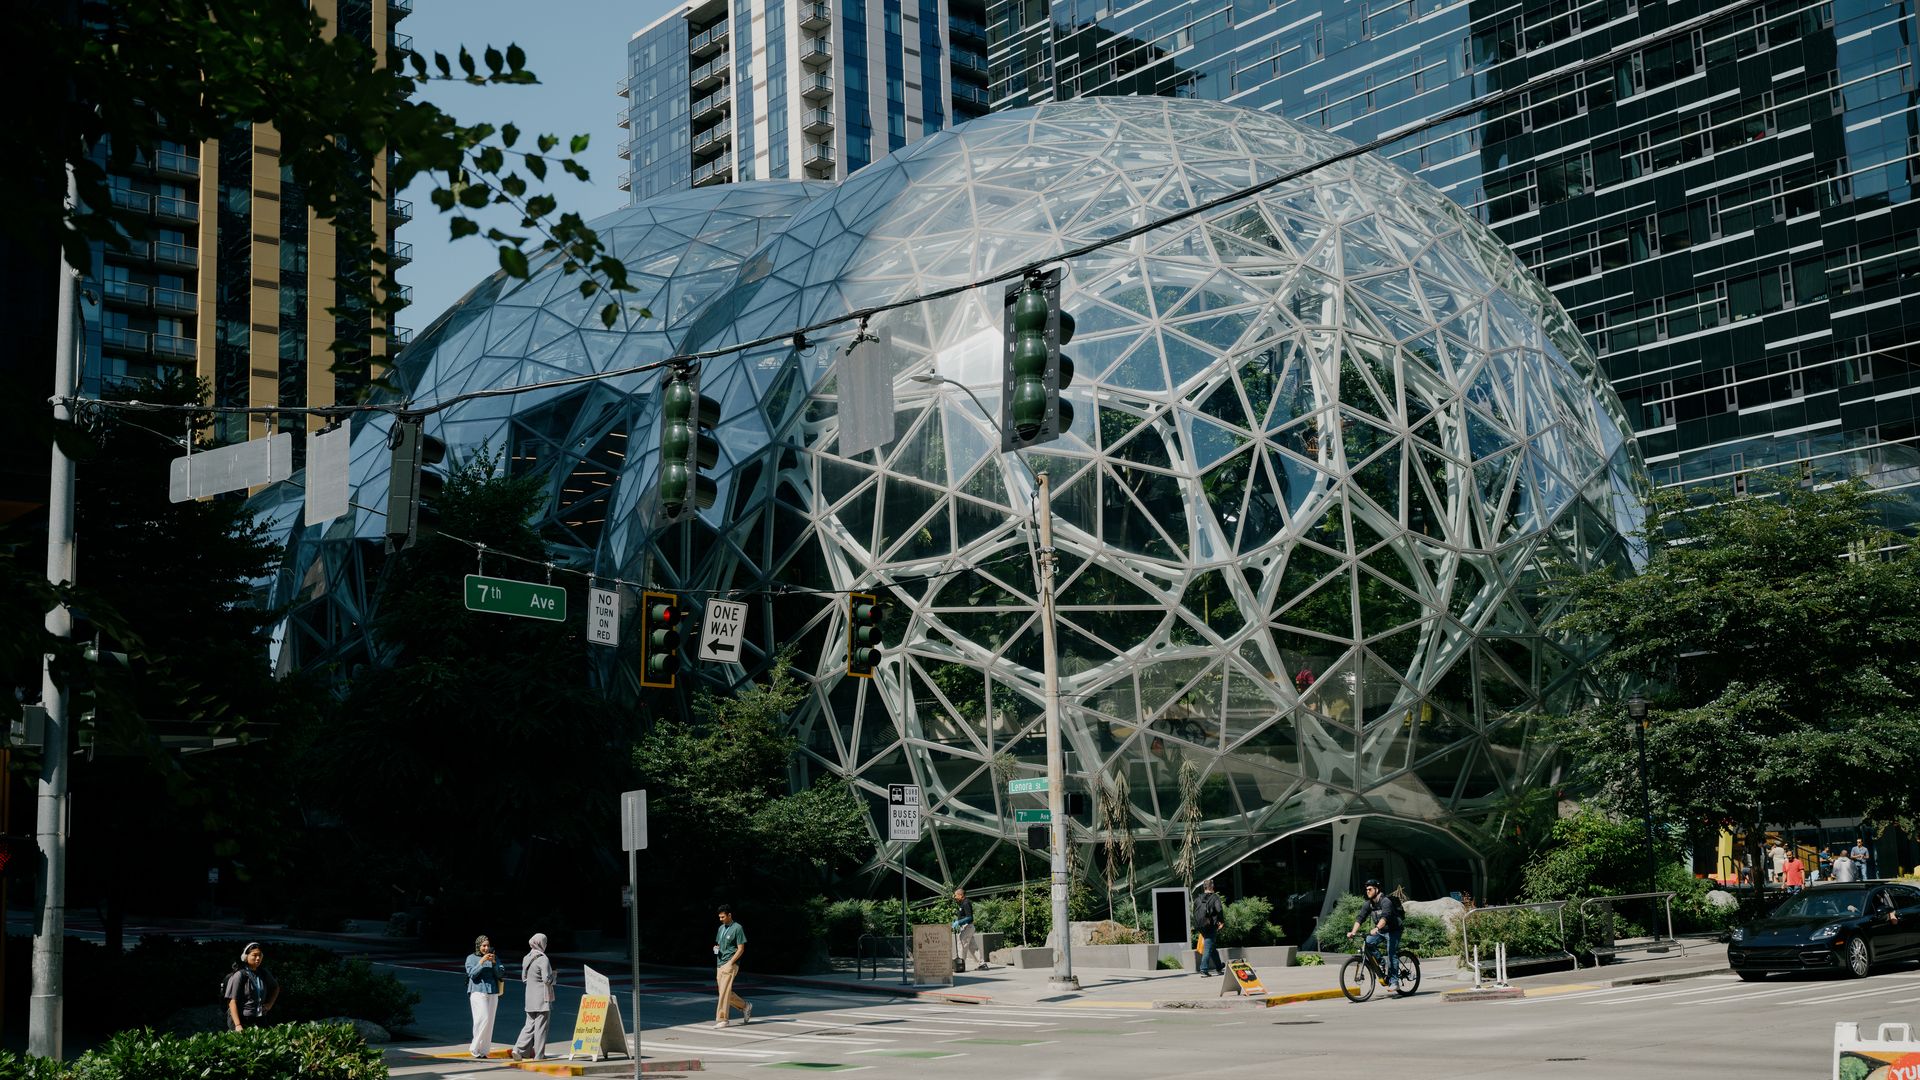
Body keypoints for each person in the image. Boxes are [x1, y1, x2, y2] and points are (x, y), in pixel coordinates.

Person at [1347, 879, 1404, 988]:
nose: (1367, 891)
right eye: (1366, 889)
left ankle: (1394, 981)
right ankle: (1381, 962)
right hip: (1382, 930)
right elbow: (1360, 918)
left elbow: (1385, 917)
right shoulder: (1369, 904)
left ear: (1377, 889)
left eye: (1370, 889)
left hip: (1394, 930)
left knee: (1391, 953)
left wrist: (1377, 928)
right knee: (1368, 943)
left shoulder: (1386, 901)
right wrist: (1353, 932)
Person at [511, 932, 556, 1062]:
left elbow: (524, 979)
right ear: (541, 943)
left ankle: (518, 1049)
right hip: (542, 998)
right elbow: (547, 980)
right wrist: (554, 976)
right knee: (541, 1027)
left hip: (529, 997)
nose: (546, 945)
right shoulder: (543, 959)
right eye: (545, 942)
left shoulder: (526, 957)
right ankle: (539, 1055)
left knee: (529, 1025)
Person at [223, 942, 280, 1031]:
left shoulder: (263, 973)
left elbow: (275, 987)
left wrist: (270, 1004)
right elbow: (231, 1001)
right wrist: (238, 1025)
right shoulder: (239, 975)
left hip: (260, 1018)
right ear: (245, 957)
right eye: (254, 955)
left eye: (260, 955)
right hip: (242, 1019)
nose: (258, 958)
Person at [465, 933, 505, 1059]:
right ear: (478, 946)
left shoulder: (494, 957)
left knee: (490, 1021)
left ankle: (484, 1050)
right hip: (477, 991)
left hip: (492, 991)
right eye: (483, 946)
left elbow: (501, 974)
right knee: (482, 1019)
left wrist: (494, 963)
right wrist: (481, 962)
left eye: (488, 946)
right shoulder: (471, 958)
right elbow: (472, 974)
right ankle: (474, 1047)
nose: (486, 948)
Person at [714, 905, 752, 1028]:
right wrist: (716, 948)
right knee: (724, 993)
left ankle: (723, 1019)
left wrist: (731, 962)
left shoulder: (737, 928)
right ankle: (745, 1006)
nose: (721, 919)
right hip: (720, 963)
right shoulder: (721, 928)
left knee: (724, 992)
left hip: (730, 964)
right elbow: (720, 944)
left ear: (730, 915)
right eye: (719, 917)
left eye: (723, 917)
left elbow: (741, 949)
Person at [1191, 880, 1225, 977]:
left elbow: (1194, 911)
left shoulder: (1198, 898)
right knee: (1208, 946)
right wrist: (1221, 921)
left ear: (1204, 887)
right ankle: (1204, 968)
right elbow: (1219, 909)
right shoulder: (1215, 898)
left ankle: (1219, 966)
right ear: (1212, 886)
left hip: (1200, 926)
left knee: (1211, 945)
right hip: (1210, 925)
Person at [951, 888, 986, 971]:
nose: (955, 897)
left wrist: (959, 922)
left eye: (956, 895)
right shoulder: (962, 903)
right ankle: (982, 964)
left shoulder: (966, 903)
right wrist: (957, 921)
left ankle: (960, 965)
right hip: (967, 927)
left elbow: (969, 917)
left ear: (961, 895)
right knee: (973, 946)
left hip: (967, 926)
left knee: (962, 945)